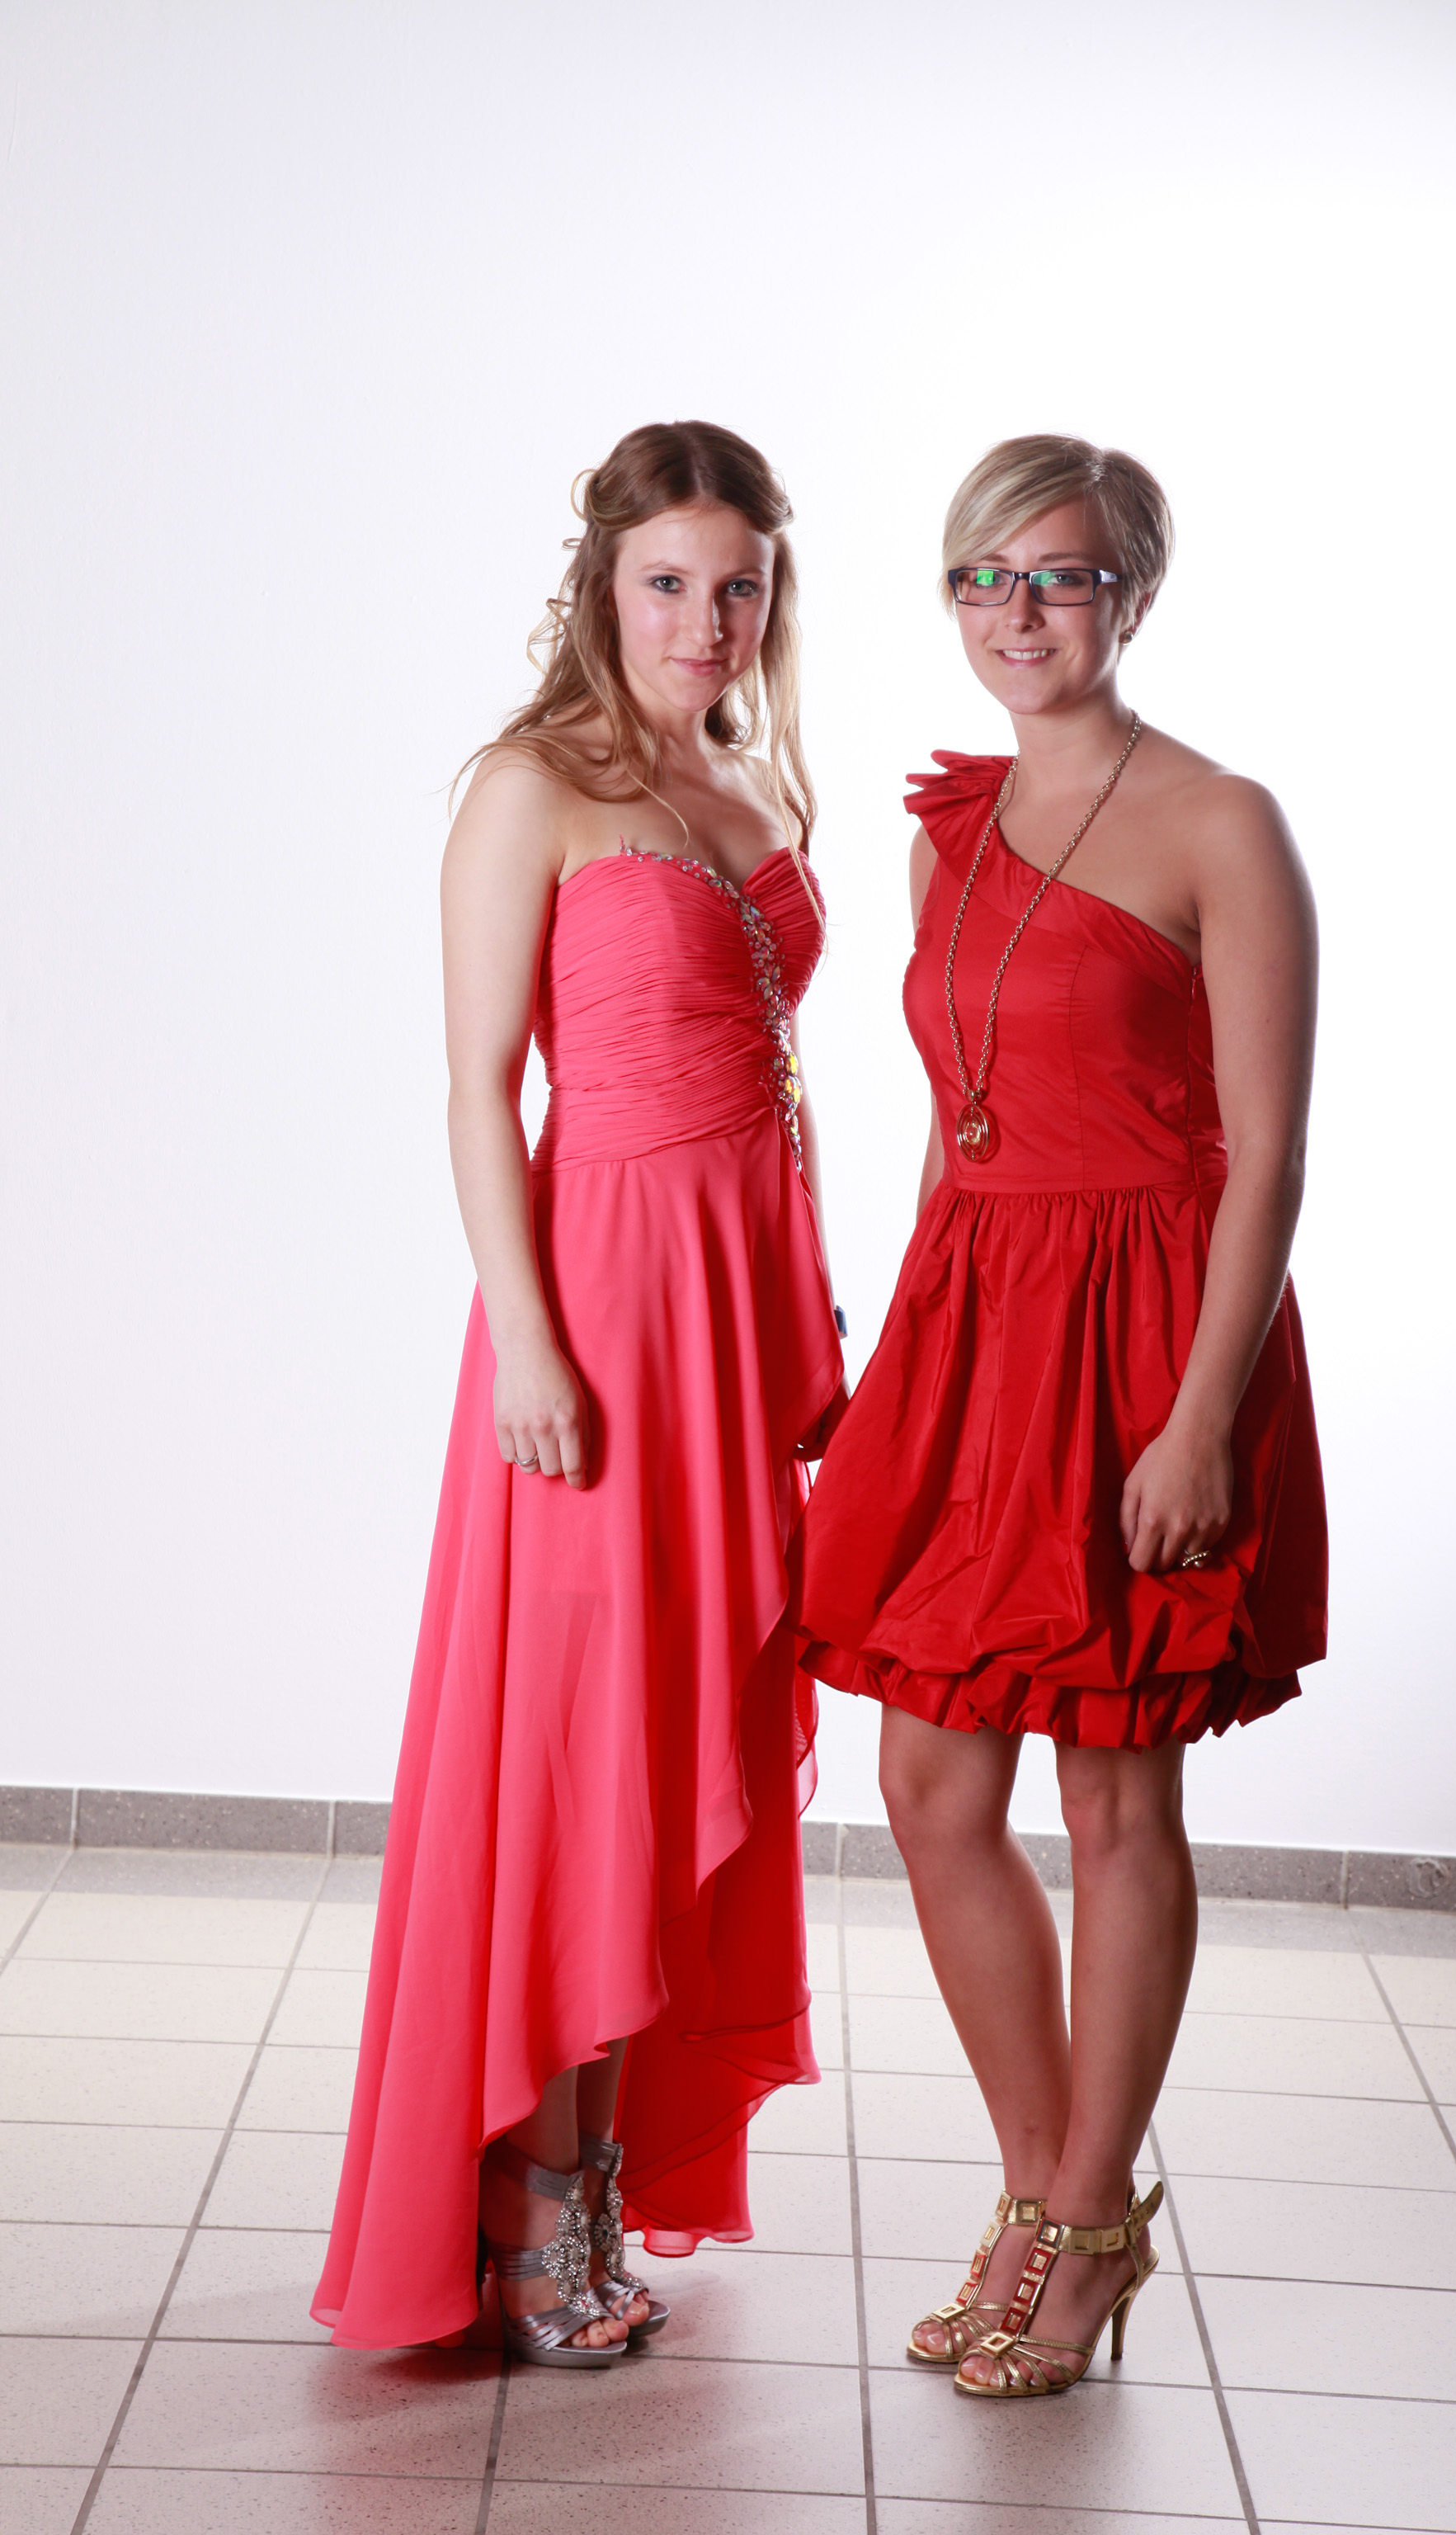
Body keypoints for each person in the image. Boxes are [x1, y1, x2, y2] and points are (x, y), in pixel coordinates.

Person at [791, 433, 1326, 2399]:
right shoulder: (946, 831)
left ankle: (1092, 2222)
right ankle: (1041, 2190)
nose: (1018, 614)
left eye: (1064, 576)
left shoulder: (1220, 821)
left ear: (1134, 593)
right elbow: (958, 1122)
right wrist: (906, 1356)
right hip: (977, 1326)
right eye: (983, 579)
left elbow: (1265, 1158)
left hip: (1144, 1339)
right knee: (931, 1786)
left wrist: (1198, 1421)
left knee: (1112, 1795)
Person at [313, 421, 844, 2365]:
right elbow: (477, 1090)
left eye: (739, 587)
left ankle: (591, 2175)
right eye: (669, 582)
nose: (707, 620)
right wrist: (527, 1340)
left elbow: (775, 1075)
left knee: (677, 1733)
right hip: (601, 1314)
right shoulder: (530, 786)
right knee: (584, 1758)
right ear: (601, 584)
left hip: (735, 1317)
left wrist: (807, 1299)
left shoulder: (749, 782)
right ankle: (531, 2205)